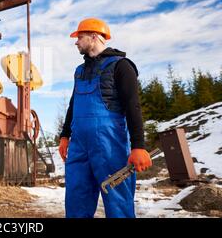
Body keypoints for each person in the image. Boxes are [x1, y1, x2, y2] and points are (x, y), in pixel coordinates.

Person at [58, 18, 152, 218]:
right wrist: (65, 135)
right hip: (79, 146)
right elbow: (73, 105)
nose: (76, 42)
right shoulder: (80, 71)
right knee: (76, 199)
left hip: (110, 145)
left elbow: (133, 106)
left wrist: (138, 146)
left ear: (94, 37)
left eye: (79, 37)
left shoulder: (121, 66)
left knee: (118, 201)